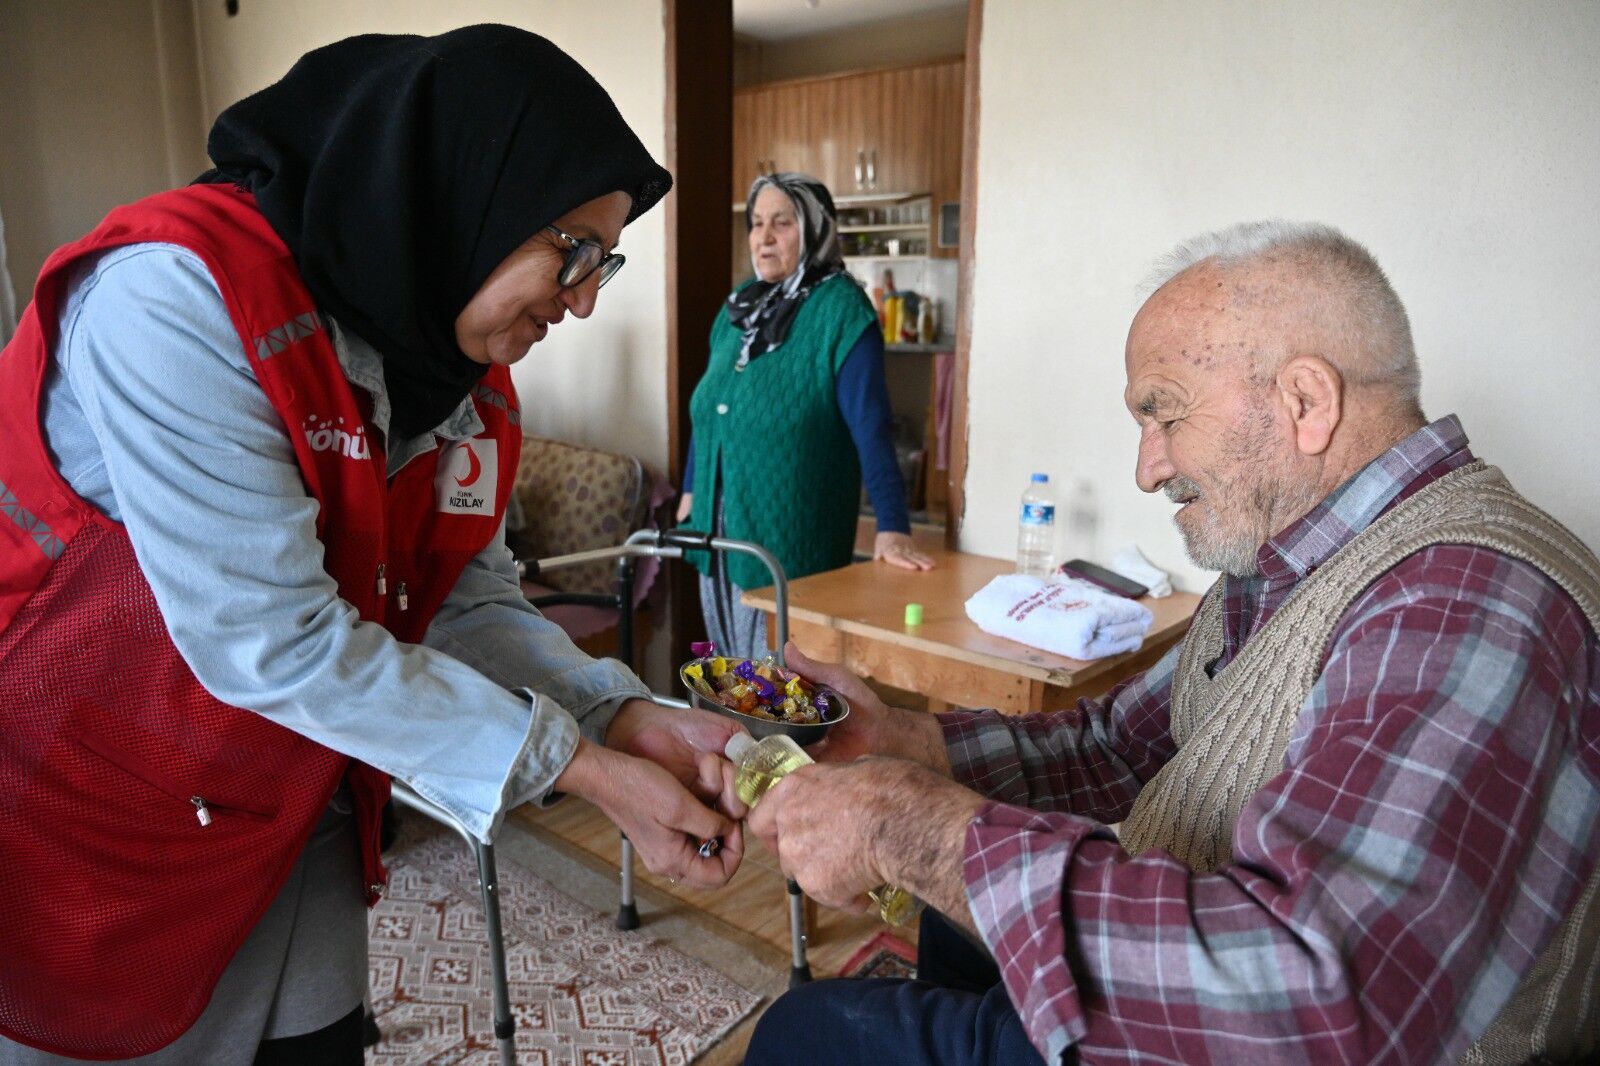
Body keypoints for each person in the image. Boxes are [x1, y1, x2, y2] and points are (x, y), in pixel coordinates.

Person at [0, 27, 747, 1065]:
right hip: (83, 802)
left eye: (602, 262)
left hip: (275, 805)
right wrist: (580, 768)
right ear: (456, 192)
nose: (583, 297)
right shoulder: (174, 301)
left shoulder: (463, 384)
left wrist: (613, 712)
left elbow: (464, 602)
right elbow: (273, 641)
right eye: (570, 248)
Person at [740, 221, 1600, 1064]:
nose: (1146, 468)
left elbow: (1315, 999)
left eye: (1165, 415)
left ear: (1305, 401)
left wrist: (912, 829)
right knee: (953, 927)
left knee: (802, 1035)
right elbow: (1120, 742)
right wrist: (910, 743)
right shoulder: (1280, 566)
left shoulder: (1466, 601)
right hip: (1224, 979)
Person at [677, 172, 934, 659]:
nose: (764, 237)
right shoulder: (739, 307)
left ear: (815, 228)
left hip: (790, 533)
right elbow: (711, 407)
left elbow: (871, 426)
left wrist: (892, 525)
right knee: (725, 675)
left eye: (781, 223)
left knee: (778, 684)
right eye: (756, 224)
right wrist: (692, 486)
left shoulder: (841, 309)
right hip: (716, 527)